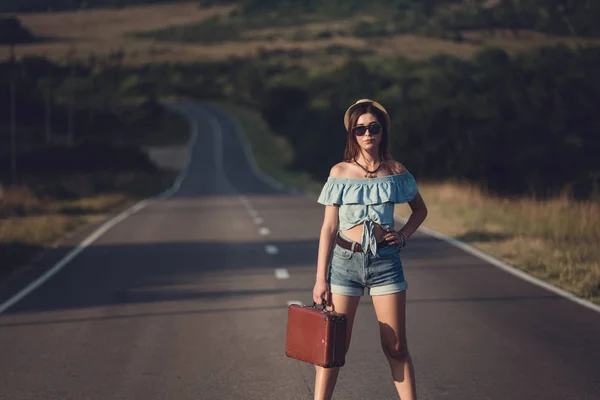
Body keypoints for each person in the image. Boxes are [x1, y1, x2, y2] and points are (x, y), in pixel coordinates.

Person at [313, 99, 428, 400]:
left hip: (385, 262)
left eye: (373, 128)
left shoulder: (395, 171)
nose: (367, 134)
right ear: (352, 134)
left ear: (382, 131)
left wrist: (402, 236)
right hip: (344, 263)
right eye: (360, 129)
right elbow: (328, 227)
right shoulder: (339, 172)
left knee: (396, 346)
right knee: (335, 347)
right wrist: (320, 279)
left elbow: (419, 210)